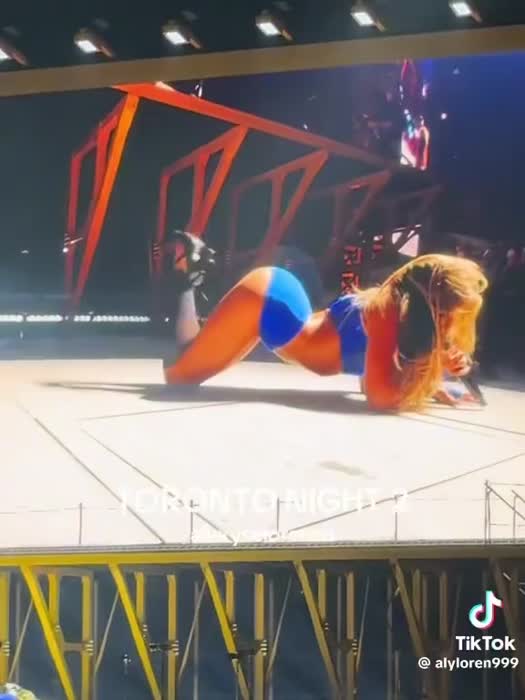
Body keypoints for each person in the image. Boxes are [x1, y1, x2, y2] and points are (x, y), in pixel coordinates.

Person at [163, 232, 488, 412]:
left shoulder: (396, 318)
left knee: (189, 356)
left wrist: (435, 370)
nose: (450, 323)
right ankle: (185, 276)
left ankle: (188, 273)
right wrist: (431, 376)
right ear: (430, 306)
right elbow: (378, 395)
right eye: (447, 313)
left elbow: (374, 378)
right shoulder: (386, 312)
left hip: (285, 307)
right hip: (267, 304)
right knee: (178, 376)